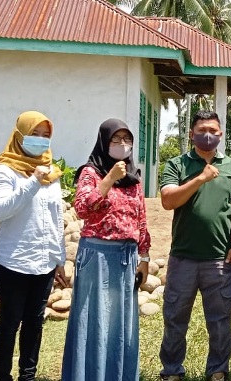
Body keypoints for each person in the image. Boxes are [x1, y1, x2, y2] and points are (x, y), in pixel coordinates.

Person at [61, 118, 150, 381]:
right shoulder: (91, 172)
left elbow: (141, 219)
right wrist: (110, 178)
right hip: (97, 255)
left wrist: (144, 256)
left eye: (127, 140)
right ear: (104, 141)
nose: (123, 145)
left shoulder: (134, 178)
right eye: (116, 139)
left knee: (120, 324)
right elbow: (82, 207)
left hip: (126, 257)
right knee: (95, 320)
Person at [158, 110, 231, 381]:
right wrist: (200, 179)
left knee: (220, 320)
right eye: (202, 129)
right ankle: (172, 370)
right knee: (175, 318)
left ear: (220, 134)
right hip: (183, 257)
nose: (208, 135)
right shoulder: (177, 164)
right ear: (191, 133)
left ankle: (218, 370)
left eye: (214, 130)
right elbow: (168, 200)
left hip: (219, 258)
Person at [0, 111, 68, 381]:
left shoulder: (52, 172)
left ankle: (28, 375)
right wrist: (33, 181)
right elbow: (0, 210)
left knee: (35, 322)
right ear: (20, 135)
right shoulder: (6, 169)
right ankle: (2, 376)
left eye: (46, 136)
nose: (41, 141)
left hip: (44, 261)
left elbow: (55, 218)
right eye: (35, 134)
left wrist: (60, 258)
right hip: (12, 260)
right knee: (10, 322)